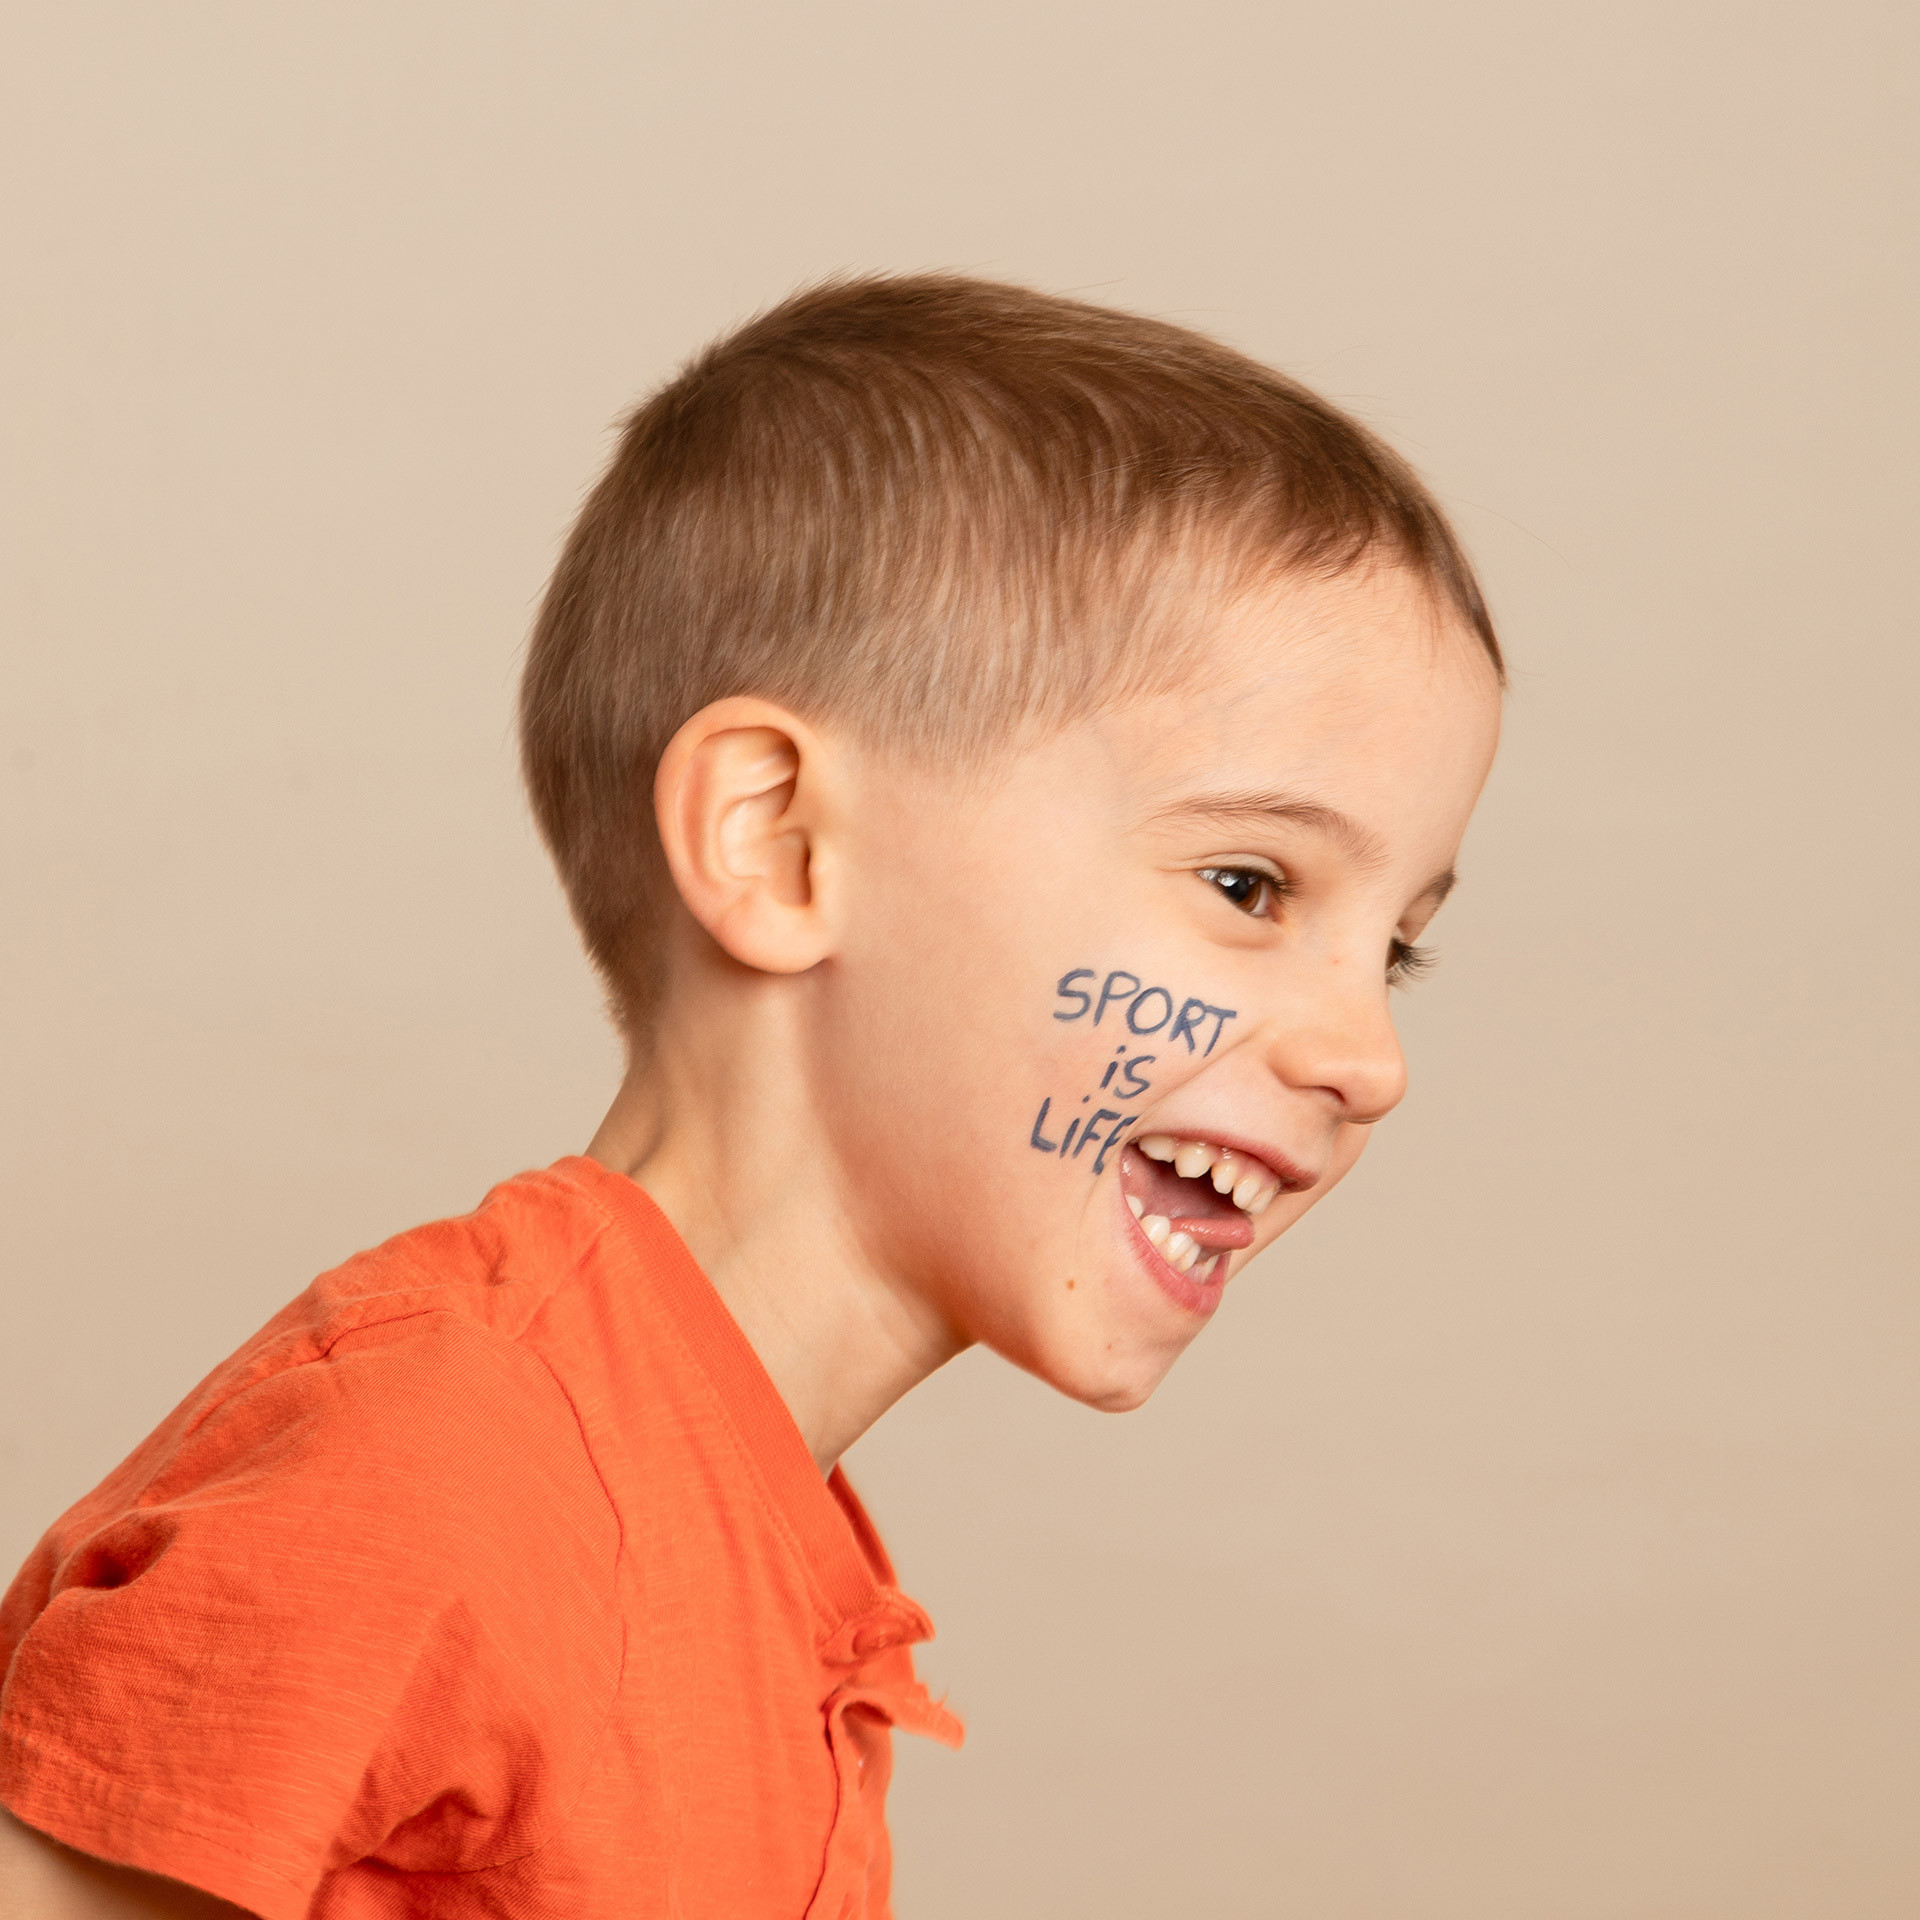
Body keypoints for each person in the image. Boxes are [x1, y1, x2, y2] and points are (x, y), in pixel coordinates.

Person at [0, 274, 1504, 1919]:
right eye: (1249, 882)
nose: (1370, 1059)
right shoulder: (447, 1468)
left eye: (1398, 953)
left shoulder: (758, 1552)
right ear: (776, 844)